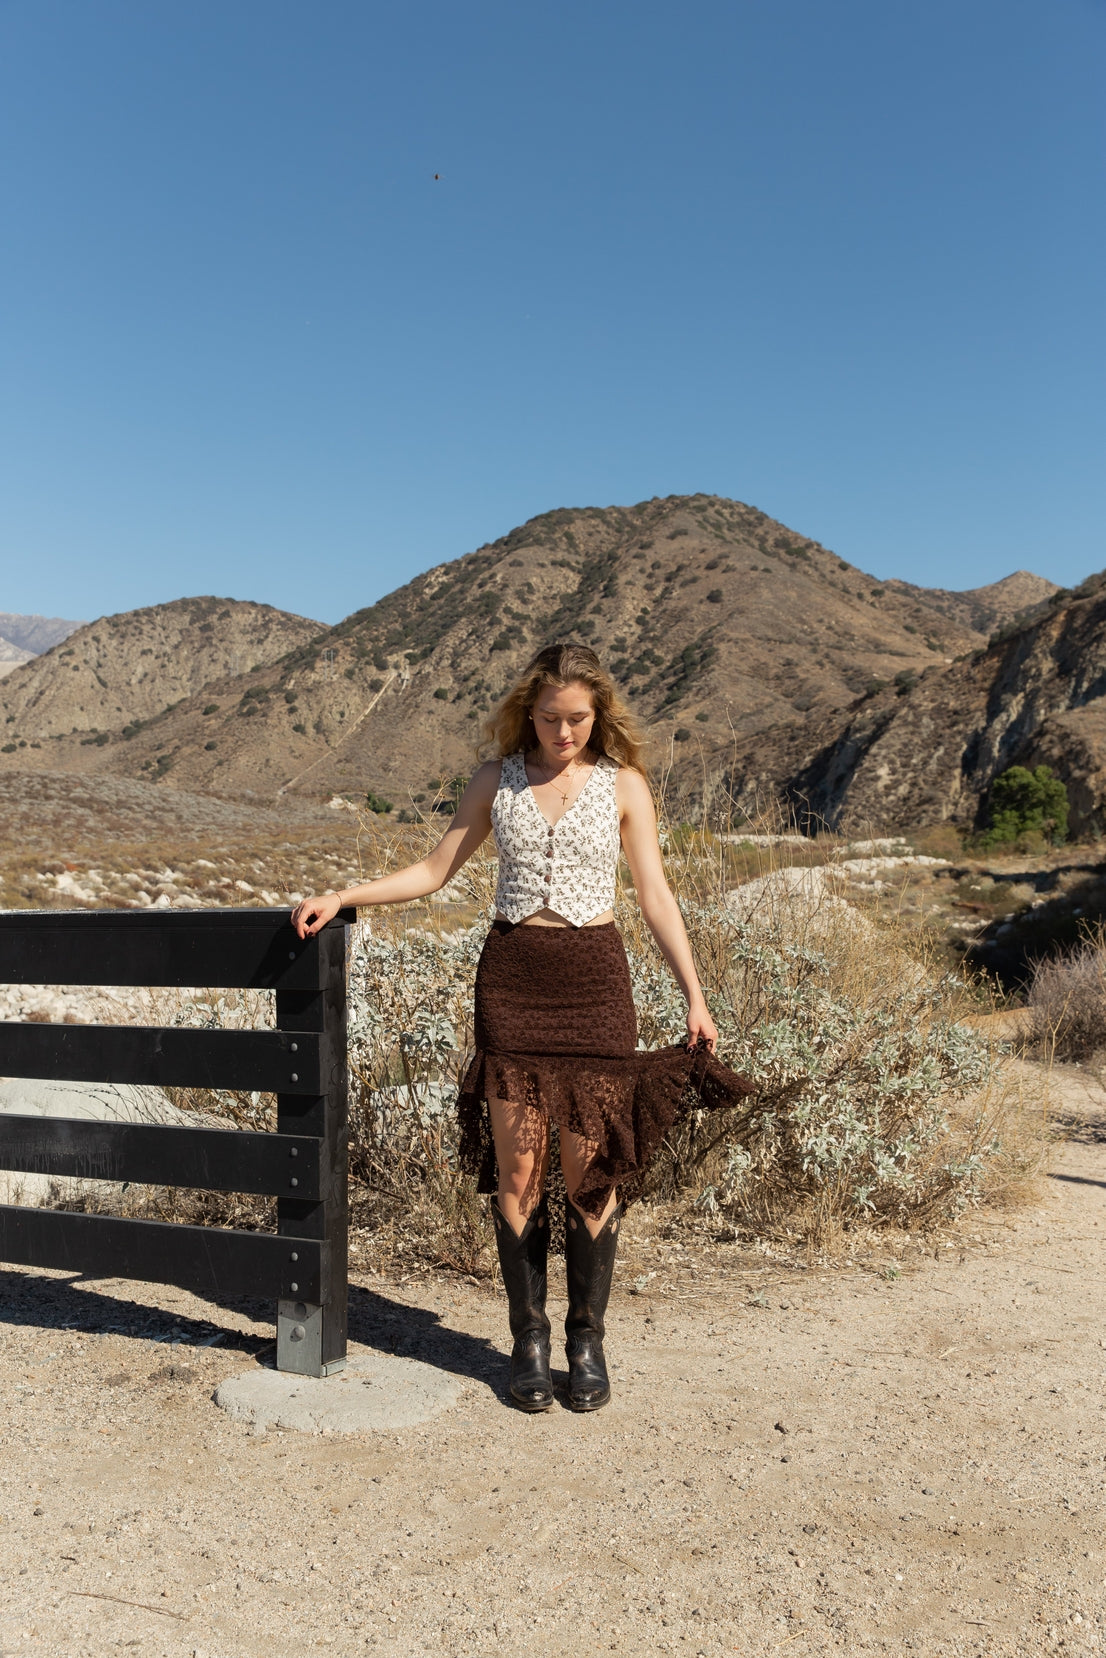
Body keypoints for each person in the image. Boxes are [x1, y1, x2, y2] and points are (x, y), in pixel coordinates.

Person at [292, 642, 752, 1414]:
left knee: (589, 1174)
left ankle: (587, 1340)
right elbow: (435, 870)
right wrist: (347, 896)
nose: (563, 733)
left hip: (595, 984)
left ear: (598, 714)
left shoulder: (625, 786)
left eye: (577, 719)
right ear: (527, 713)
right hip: (513, 982)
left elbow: (656, 896)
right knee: (519, 1173)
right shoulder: (494, 780)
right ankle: (529, 1340)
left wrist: (695, 997)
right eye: (549, 718)